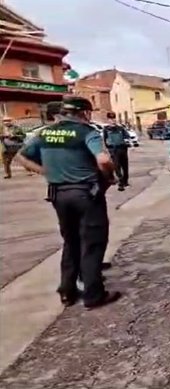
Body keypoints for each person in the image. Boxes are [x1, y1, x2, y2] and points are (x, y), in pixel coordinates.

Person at [15, 96, 121, 308]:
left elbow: (20, 156)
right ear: (84, 113)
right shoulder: (86, 132)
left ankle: (67, 291)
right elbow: (103, 159)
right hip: (86, 194)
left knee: (70, 240)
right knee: (92, 242)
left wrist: (46, 171)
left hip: (58, 195)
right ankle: (93, 295)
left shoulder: (45, 133)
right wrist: (109, 176)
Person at [103, 112, 130, 191]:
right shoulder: (106, 129)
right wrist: (107, 149)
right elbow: (104, 140)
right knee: (117, 166)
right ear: (108, 120)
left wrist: (126, 142)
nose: (113, 120)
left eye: (114, 118)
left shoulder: (120, 128)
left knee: (125, 166)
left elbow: (127, 136)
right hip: (113, 150)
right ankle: (121, 182)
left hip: (123, 149)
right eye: (111, 119)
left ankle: (125, 181)